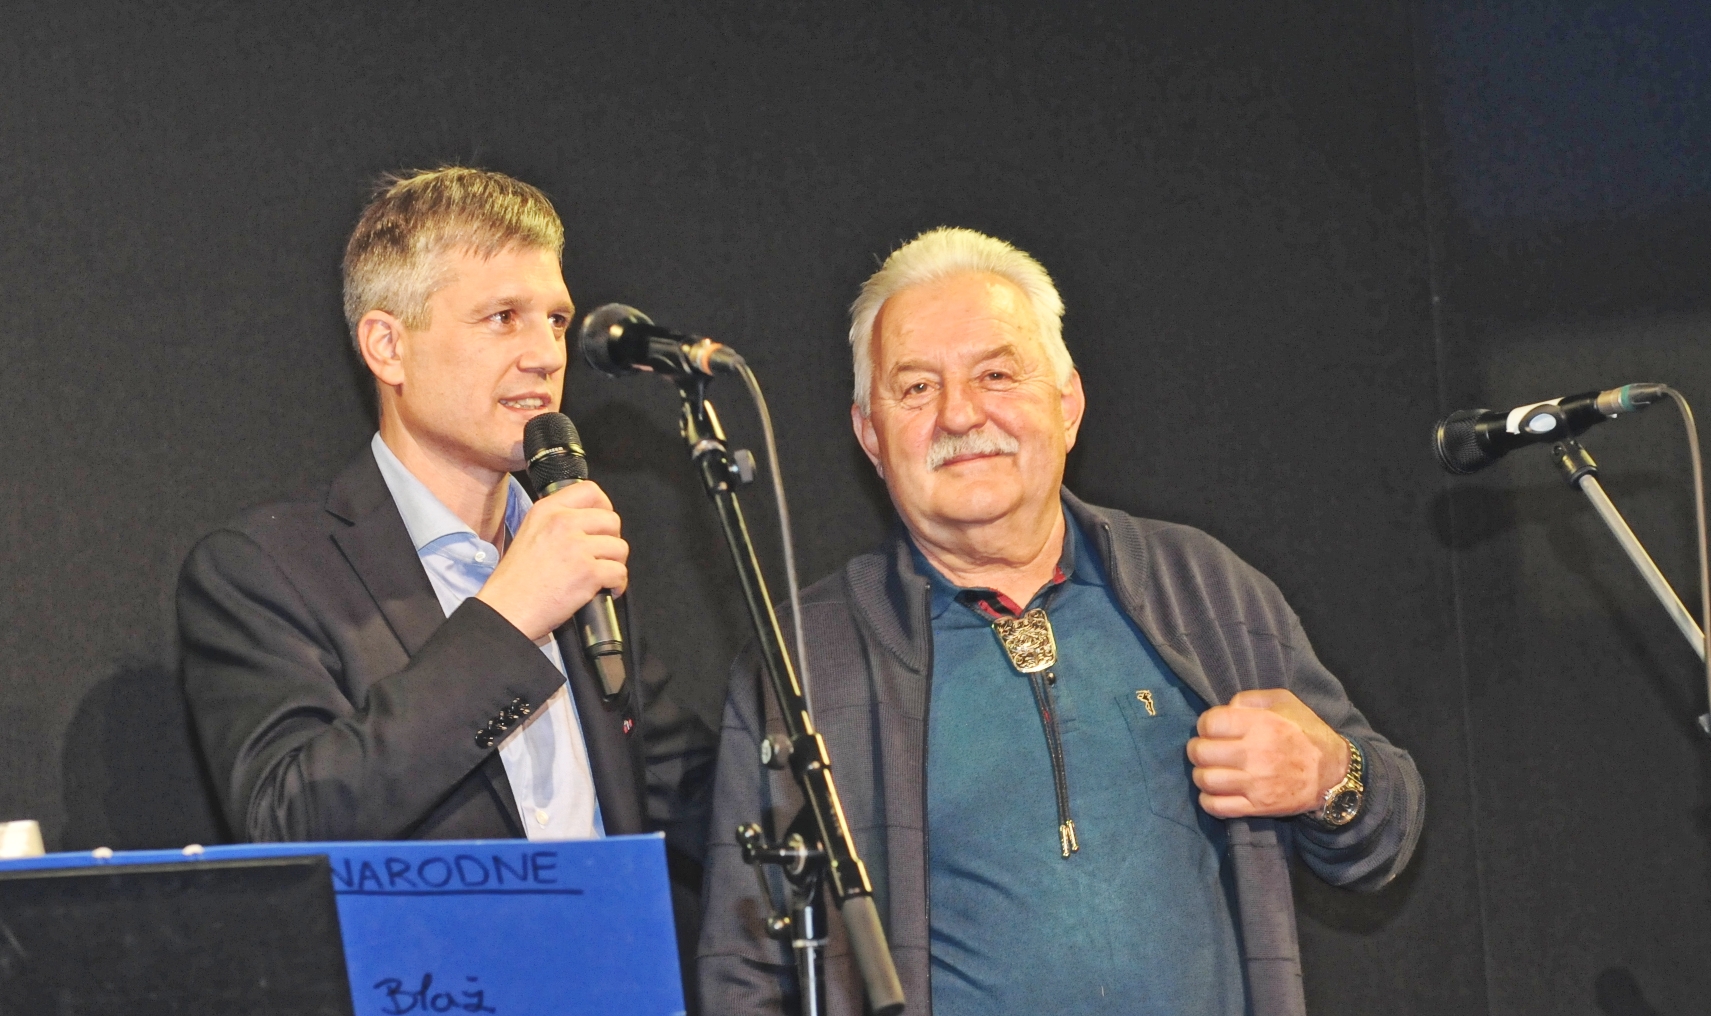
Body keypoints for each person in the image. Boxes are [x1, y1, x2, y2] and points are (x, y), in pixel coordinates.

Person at [696, 227, 1425, 1015]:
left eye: (996, 374)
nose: (959, 413)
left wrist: (1330, 777)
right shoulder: (805, 657)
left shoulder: (1204, 587)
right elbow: (744, 973)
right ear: (870, 436)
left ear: (1067, 404)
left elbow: (1384, 833)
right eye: (916, 387)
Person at [177, 167, 711, 861]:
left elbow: (694, 799)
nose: (545, 356)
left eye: (555, 320)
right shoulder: (265, 571)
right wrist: (509, 620)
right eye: (502, 317)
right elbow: (288, 821)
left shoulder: (569, 548)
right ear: (387, 346)